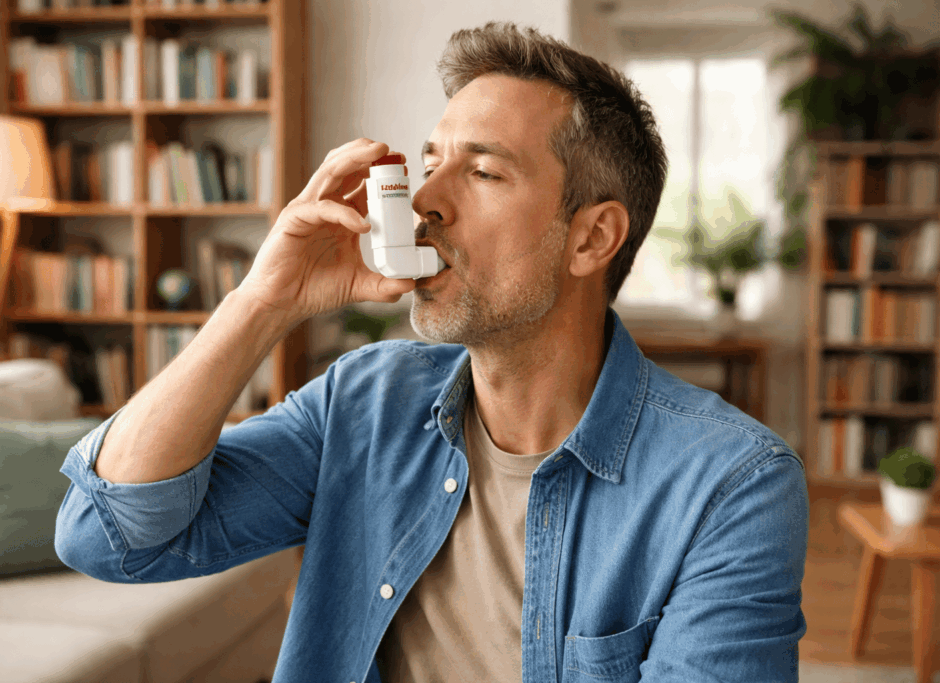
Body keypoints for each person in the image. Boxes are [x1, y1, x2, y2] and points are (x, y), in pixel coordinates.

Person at [55, 21, 808, 683]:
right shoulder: (364, 402)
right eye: (430, 162)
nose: (422, 202)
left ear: (591, 238)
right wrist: (261, 303)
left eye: (482, 172)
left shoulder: (730, 485)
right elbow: (107, 535)